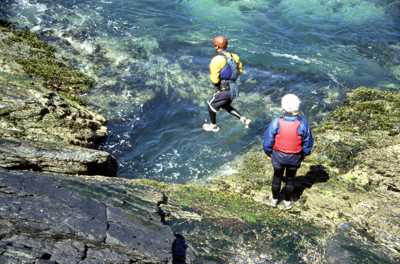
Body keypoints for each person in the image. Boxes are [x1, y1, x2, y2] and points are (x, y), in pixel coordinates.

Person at [263, 94, 313, 209]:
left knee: (277, 178)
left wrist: (269, 153)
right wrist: (304, 154)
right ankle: (287, 202)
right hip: (294, 158)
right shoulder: (303, 124)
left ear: (283, 108)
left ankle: (274, 200)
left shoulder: (276, 122)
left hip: (278, 157)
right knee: (290, 180)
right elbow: (308, 141)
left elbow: (268, 141)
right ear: (298, 107)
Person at [202, 35, 251, 132]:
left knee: (211, 105)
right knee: (224, 105)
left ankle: (213, 126)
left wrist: (219, 86)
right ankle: (243, 119)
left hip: (224, 90)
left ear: (216, 46)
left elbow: (215, 80)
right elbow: (240, 71)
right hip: (234, 89)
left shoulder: (217, 60)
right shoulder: (235, 56)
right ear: (227, 45)